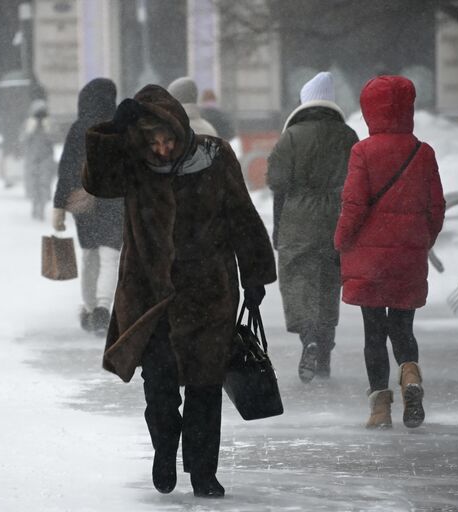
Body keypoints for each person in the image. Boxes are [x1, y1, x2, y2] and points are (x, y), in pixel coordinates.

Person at [83, 84, 276, 498]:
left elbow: (242, 213)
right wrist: (114, 133)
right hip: (152, 296)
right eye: (152, 142)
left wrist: (255, 273)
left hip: (209, 292)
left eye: (168, 138)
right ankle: (165, 447)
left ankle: (204, 472)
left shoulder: (215, 156)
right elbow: (97, 182)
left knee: (206, 387)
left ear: (181, 128)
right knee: (160, 387)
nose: (163, 149)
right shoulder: (133, 163)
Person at [334, 75, 445, 429]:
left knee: (373, 333)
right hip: (407, 256)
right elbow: (436, 206)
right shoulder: (422, 152)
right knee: (402, 328)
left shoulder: (363, 152)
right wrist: (421, 240)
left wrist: (340, 241)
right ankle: (410, 375)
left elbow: (353, 205)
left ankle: (380, 407)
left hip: (369, 258)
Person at [267, 71, 358, 383]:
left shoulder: (291, 137)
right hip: (337, 217)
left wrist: (278, 231)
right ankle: (324, 356)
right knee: (328, 285)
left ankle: (310, 340)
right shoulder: (348, 136)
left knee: (298, 283)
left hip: (297, 219)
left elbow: (276, 182)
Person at [52, 78, 123, 335]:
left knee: (90, 256)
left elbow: (66, 170)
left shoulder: (77, 128)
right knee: (110, 256)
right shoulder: (119, 128)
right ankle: (104, 307)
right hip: (115, 201)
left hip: (84, 201)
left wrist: (59, 206)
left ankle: (90, 307)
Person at [21, 99, 55, 220]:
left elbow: (54, 138)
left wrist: (48, 130)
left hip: (46, 159)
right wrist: (29, 130)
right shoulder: (29, 124)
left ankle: (41, 207)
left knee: (44, 184)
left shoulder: (49, 124)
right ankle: (35, 205)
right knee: (34, 184)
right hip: (32, 159)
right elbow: (23, 139)